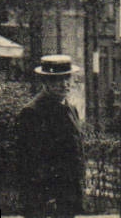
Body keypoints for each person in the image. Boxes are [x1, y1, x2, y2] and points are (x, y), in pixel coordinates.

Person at [16, 54, 83, 218]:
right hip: (44, 197)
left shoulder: (70, 108)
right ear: (45, 82)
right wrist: (47, 196)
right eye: (56, 80)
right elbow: (29, 161)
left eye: (67, 78)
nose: (64, 84)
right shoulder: (32, 112)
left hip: (67, 194)